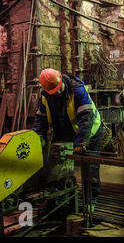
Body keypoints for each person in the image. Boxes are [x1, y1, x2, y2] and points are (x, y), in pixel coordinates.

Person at [33, 68, 104, 207]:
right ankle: (63, 194)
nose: (58, 93)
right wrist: (37, 137)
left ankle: (91, 198)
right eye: (54, 91)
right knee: (60, 163)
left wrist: (82, 141)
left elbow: (86, 117)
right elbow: (40, 119)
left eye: (59, 89)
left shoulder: (77, 90)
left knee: (89, 165)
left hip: (90, 131)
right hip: (66, 133)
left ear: (61, 79)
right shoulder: (45, 97)